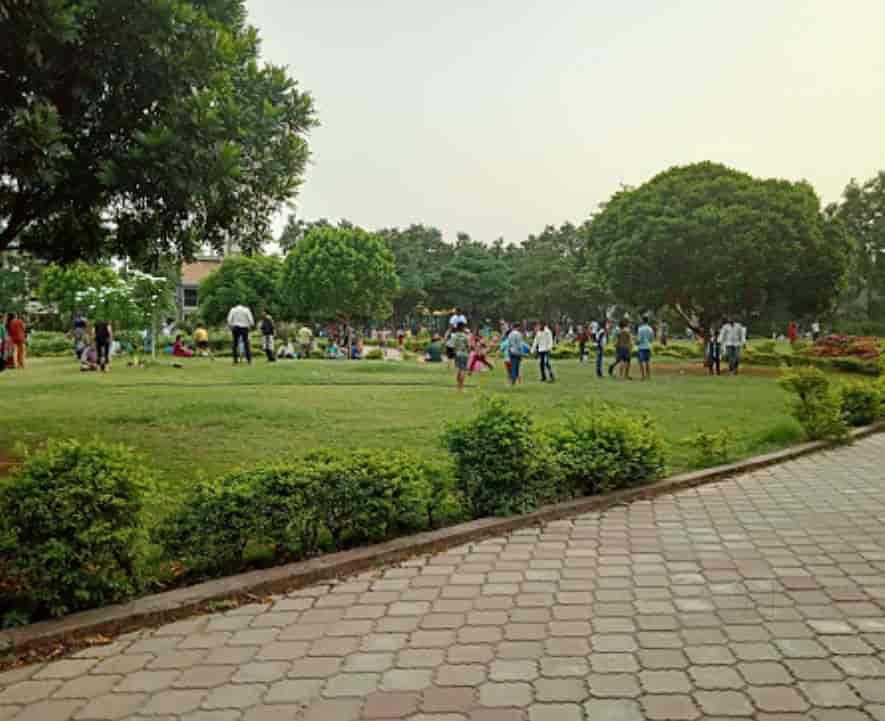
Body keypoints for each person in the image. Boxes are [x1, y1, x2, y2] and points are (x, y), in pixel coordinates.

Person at [451, 321, 470, 391]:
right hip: (464, 354)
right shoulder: (465, 336)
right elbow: (468, 346)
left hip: (457, 354)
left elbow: (452, 346)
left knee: (458, 370)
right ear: (462, 328)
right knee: (463, 370)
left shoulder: (454, 336)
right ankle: (461, 387)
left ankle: (458, 386)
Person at [636, 316, 655, 381]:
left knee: (641, 362)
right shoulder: (650, 329)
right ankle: (648, 376)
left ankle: (643, 376)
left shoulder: (640, 329)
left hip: (641, 347)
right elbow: (652, 339)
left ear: (642, 321)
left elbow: (639, 339)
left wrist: (636, 342)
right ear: (647, 321)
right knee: (647, 361)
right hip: (648, 346)